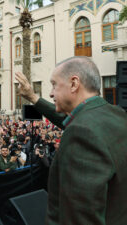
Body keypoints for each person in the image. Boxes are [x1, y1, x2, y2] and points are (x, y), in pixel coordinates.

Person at [15, 56, 127, 224]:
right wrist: (33, 97)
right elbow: (73, 120)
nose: (51, 93)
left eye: (54, 84)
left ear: (74, 84)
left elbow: (81, 219)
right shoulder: (116, 114)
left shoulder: (81, 133)